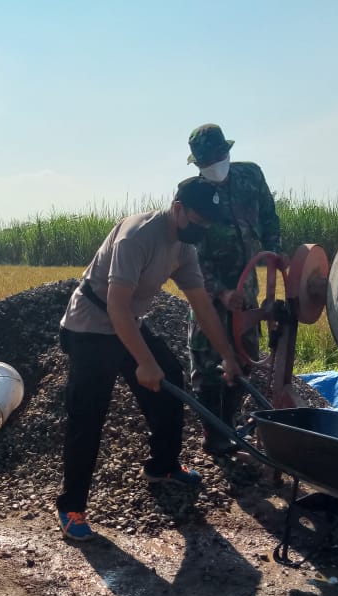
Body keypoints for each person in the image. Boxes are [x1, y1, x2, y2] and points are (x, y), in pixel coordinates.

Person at [56, 177, 244, 542]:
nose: (203, 228)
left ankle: (163, 466)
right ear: (178, 209)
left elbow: (201, 304)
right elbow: (115, 306)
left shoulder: (183, 245)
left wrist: (228, 356)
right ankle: (71, 505)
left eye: (209, 222)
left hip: (127, 322)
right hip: (91, 326)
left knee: (170, 379)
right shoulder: (137, 236)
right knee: (89, 413)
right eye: (199, 220)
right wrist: (143, 362)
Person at [185, 123, 281, 456]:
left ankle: (228, 424)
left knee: (245, 358)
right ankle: (213, 436)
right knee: (207, 363)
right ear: (198, 165)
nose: (214, 165)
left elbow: (270, 222)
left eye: (218, 157)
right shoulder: (192, 193)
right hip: (207, 292)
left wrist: (274, 269)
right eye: (205, 163)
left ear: (227, 153)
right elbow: (190, 256)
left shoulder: (251, 177)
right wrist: (220, 291)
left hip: (247, 289)